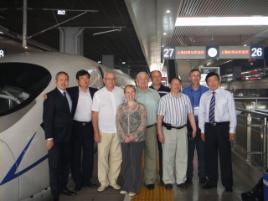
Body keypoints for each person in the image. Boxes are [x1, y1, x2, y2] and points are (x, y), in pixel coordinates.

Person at [198, 72, 237, 192]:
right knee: (210, 157)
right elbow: (202, 114)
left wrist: (232, 130)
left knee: (225, 156)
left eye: (214, 80)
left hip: (223, 128)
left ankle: (228, 183)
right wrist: (203, 130)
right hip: (209, 128)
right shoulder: (204, 96)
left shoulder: (227, 95)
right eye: (209, 81)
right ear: (207, 83)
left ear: (218, 81)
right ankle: (212, 181)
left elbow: (232, 113)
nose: (212, 83)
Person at [157, 78, 196, 189]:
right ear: (170, 85)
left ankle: (181, 180)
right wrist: (160, 133)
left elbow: (190, 114)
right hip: (168, 131)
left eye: (178, 84)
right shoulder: (164, 99)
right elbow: (159, 118)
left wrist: (194, 128)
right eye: (174, 84)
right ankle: (168, 180)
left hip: (182, 130)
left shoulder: (185, 98)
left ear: (180, 85)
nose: (176, 86)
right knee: (168, 157)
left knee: (182, 156)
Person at [43, 71, 75, 201]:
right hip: (55, 139)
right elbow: (47, 119)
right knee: (55, 167)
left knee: (65, 164)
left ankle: (63, 187)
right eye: (61, 79)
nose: (64, 82)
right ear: (56, 81)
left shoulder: (70, 94)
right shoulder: (50, 97)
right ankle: (55, 195)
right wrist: (49, 138)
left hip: (68, 137)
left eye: (66, 79)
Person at [92, 72, 124, 192]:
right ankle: (103, 182)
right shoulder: (98, 94)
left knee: (117, 157)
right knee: (102, 157)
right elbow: (94, 114)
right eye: (108, 79)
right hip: (103, 131)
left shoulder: (120, 92)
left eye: (112, 79)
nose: (110, 81)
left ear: (115, 80)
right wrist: (96, 132)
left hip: (118, 131)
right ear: (104, 80)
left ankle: (113, 180)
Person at [69, 70, 97, 191]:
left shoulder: (94, 92)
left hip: (89, 128)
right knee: (75, 156)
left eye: (87, 78)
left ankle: (87, 179)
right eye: (82, 78)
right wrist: (47, 96)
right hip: (75, 127)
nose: (85, 80)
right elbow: (58, 94)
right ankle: (77, 181)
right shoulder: (72, 91)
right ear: (77, 80)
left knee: (89, 155)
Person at [116, 85, 147, 197]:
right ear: (125, 94)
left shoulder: (141, 107)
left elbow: (143, 124)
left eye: (132, 92)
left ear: (135, 93)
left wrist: (132, 136)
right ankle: (126, 185)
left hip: (137, 139)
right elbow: (118, 123)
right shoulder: (121, 107)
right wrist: (124, 136)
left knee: (135, 163)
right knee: (126, 163)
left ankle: (134, 186)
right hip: (124, 139)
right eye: (127, 92)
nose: (130, 94)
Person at [182, 69, 208, 185]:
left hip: (202, 124)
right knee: (189, 152)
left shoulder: (206, 91)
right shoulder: (185, 91)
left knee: (202, 152)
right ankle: (189, 176)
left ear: (200, 77)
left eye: (198, 76)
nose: (196, 78)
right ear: (189, 77)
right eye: (193, 76)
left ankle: (202, 175)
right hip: (188, 125)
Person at [136, 71, 160, 190]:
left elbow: (159, 113)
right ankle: (135, 180)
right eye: (141, 79)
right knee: (136, 155)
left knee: (151, 154)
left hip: (151, 128)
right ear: (137, 81)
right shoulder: (132, 93)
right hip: (136, 130)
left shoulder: (154, 94)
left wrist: (158, 128)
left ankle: (149, 179)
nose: (143, 81)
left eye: (145, 79)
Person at [150, 70, 170, 185]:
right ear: (151, 78)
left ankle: (164, 177)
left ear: (161, 78)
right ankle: (151, 178)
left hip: (164, 127)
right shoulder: (147, 90)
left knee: (164, 153)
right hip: (151, 126)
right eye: (154, 77)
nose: (157, 78)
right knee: (151, 154)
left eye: (158, 76)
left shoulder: (168, 91)